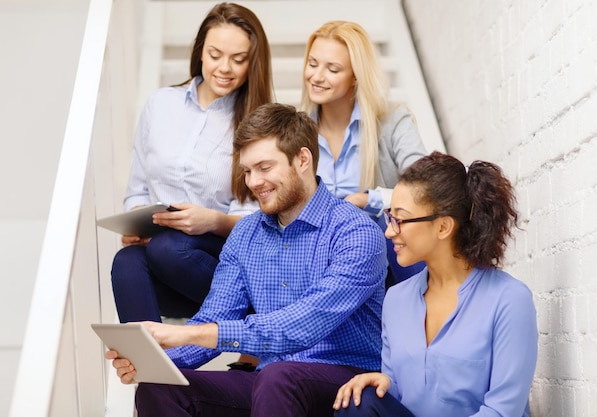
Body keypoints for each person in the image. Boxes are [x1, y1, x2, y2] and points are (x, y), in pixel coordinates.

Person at [106, 103, 388, 417]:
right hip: (271, 382)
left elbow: (301, 326)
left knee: (277, 376)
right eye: (248, 170)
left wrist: (183, 333)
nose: (253, 182)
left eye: (264, 167)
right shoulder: (246, 235)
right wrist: (152, 363)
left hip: (345, 379)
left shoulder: (356, 232)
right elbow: (215, 314)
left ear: (303, 160)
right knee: (159, 387)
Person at [332, 151, 538, 417]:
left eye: (400, 219)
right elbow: (404, 396)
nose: (389, 231)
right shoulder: (396, 300)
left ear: (443, 227)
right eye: (388, 216)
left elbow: (502, 411)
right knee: (358, 402)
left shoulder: (509, 300)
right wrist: (383, 387)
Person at [110, 2, 274, 323]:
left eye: (238, 59)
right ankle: (152, 370)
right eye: (215, 55)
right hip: (173, 266)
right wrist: (135, 223)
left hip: (221, 257)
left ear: (253, 63)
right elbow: (138, 188)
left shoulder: (261, 122)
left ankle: (251, 308)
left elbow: (267, 218)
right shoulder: (160, 105)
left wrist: (213, 221)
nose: (224, 68)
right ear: (200, 52)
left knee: (169, 248)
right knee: (127, 261)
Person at [300, 20, 427, 286]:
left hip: (378, 249)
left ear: (356, 75)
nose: (317, 76)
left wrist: (365, 200)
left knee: (391, 225)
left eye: (332, 69)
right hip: (313, 251)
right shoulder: (293, 130)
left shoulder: (393, 121)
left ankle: (425, 318)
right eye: (312, 64)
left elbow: (427, 188)